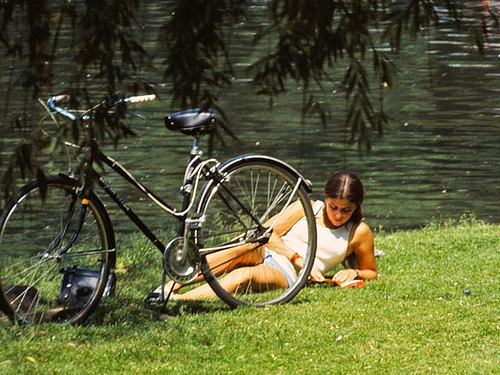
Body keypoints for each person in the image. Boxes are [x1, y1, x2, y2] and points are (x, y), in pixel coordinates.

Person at [159, 171, 378, 300]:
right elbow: (264, 233)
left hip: (289, 273)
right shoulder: (308, 208)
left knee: (246, 275)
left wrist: (353, 272)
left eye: (345, 210)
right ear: (325, 198)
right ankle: (170, 286)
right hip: (276, 253)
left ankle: (181, 300)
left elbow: (371, 272)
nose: (338, 215)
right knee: (242, 248)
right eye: (333, 207)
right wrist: (298, 258)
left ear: (356, 206)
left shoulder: (359, 232)